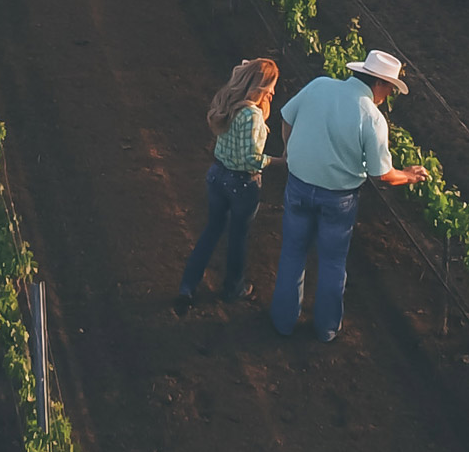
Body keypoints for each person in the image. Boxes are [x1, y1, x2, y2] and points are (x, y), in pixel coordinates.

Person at [270, 50, 427, 343]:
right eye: (390, 88)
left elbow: (286, 118)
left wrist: (291, 150)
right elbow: (382, 175)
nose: (388, 95)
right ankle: (326, 329)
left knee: (292, 253)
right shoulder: (372, 117)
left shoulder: (319, 85)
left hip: (299, 186)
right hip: (338, 200)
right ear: (379, 83)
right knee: (332, 263)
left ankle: (283, 322)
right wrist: (408, 175)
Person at [174, 57, 279, 313]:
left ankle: (187, 286)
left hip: (216, 176)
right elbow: (250, 159)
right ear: (262, 87)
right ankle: (234, 288)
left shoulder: (230, 103)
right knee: (238, 236)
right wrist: (279, 161)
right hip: (241, 185)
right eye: (272, 86)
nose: (274, 92)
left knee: (211, 230)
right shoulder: (252, 115)